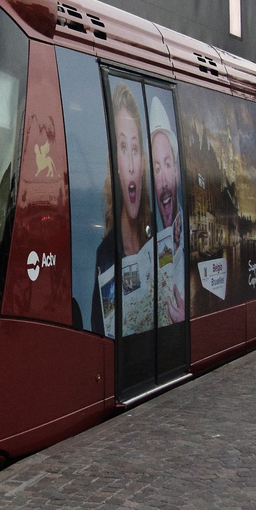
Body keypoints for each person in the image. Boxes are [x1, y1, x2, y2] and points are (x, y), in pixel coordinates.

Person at [91, 83, 153, 336]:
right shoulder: (105, 256)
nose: (129, 164)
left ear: (142, 164)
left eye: (135, 149)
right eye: (123, 148)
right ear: (115, 165)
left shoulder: (157, 241)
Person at [148, 95, 185, 322]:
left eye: (167, 165)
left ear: (177, 173)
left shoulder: (195, 236)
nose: (163, 182)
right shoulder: (147, 242)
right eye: (156, 168)